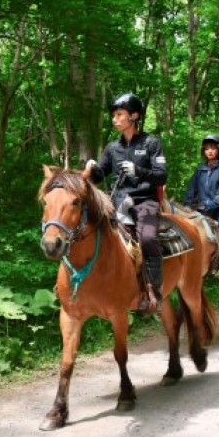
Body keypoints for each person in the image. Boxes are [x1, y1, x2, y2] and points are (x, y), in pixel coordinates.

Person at [86, 93, 167, 313]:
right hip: (118, 203)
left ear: (134, 116)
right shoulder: (113, 148)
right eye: (113, 115)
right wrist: (91, 169)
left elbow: (162, 175)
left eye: (119, 114)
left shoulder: (152, 143)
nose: (115, 119)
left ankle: (155, 293)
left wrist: (138, 171)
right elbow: (98, 175)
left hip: (145, 202)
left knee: (148, 238)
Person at [183, 134, 219, 274]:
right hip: (201, 210)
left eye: (213, 148)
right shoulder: (200, 169)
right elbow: (192, 188)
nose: (209, 151)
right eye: (207, 148)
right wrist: (187, 204)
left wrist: (209, 205)